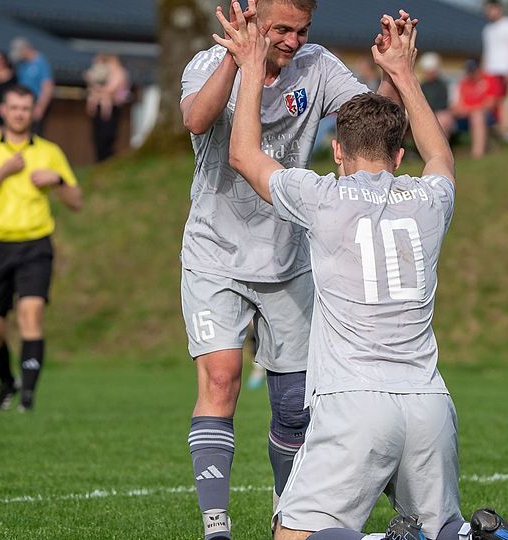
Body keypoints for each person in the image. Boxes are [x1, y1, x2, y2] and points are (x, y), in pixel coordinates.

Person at [221, 9, 508, 540]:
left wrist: (250, 66)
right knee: (442, 529)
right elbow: (442, 157)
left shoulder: (323, 196)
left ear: (338, 150)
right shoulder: (430, 199)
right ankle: (474, 534)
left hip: (353, 401)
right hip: (429, 403)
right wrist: (404, 74)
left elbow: (244, 155)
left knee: (292, 535)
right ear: (400, 155)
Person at [178, 1, 415, 537]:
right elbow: (195, 119)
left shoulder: (317, 65)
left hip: (289, 257)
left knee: (292, 407)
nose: (291, 40)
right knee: (222, 377)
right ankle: (216, 527)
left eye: (301, 30)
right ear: (253, 18)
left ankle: (288, 519)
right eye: (281, 29)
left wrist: (392, 72)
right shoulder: (208, 62)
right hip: (215, 253)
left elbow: (371, 127)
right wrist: (238, 61)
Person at [0, 85, 83, 412]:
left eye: (25, 108)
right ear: (3, 110)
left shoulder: (49, 152)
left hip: (35, 245)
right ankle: (6, 382)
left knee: (31, 315)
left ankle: (27, 401)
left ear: (33, 112)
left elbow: (76, 201)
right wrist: (3, 171)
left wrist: (57, 181)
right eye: (14, 108)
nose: (19, 114)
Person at [481, 0, 508, 142]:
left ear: (498, 9)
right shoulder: (488, 30)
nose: (489, 13)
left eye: (491, 9)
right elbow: (487, 52)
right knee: (492, 102)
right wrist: (483, 70)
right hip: (490, 70)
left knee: (502, 101)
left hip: (504, 69)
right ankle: (499, 130)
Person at [85, 54, 131, 162]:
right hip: (101, 108)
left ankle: (107, 160)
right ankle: (101, 160)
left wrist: (96, 88)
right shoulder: (105, 73)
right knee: (98, 136)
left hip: (112, 108)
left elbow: (110, 89)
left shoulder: (119, 73)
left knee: (107, 136)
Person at [452, 59, 498, 158]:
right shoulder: (463, 83)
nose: (470, 74)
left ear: (478, 69)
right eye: (468, 71)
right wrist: (465, 110)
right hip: (464, 117)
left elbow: (490, 104)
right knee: (443, 118)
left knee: (477, 116)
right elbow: (456, 106)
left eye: (472, 71)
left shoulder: (489, 80)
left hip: (486, 116)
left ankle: (477, 153)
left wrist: (469, 109)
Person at [10, 37, 54, 134]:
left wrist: (40, 107)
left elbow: (47, 87)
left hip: (35, 104)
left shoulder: (41, 62)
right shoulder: (22, 64)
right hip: (22, 103)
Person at [419, 52, 454, 138]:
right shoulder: (422, 86)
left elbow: (452, 105)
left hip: (442, 114)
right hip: (426, 113)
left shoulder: (445, 84)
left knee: (441, 120)